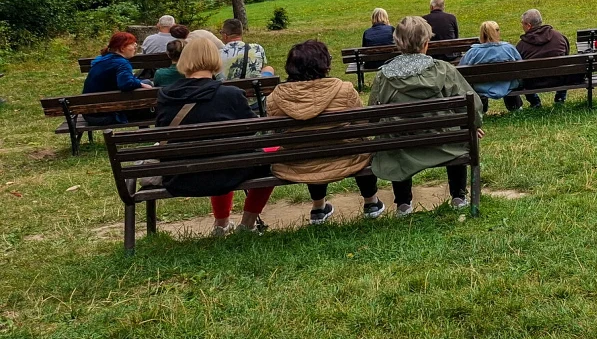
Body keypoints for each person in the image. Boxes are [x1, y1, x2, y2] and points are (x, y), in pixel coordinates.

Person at [156, 31, 272, 236]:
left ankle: (221, 225)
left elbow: (161, 133)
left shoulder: (165, 95)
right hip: (228, 171)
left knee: (223, 154)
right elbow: (253, 128)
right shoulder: (231, 94)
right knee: (267, 157)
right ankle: (247, 224)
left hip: (180, 176)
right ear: (215, 59)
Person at [369, 15, 485, 213]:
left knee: (395, 138)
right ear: (426, 43)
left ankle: (404, 203)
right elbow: (472, 106)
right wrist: (473, 125)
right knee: (457, 133)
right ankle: (458, 196)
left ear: (397, 43)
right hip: (444, 143)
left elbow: (373, 115)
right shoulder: (443, 69)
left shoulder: (384, 76)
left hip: (401, 146)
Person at [266, 40, 381, 224]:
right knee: (361, 145)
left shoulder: (275, 98)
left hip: (300, 161)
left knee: (310, 148)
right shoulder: (344, 89)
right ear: (324, 64)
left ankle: (318, 208)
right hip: (346, 157)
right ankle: (371, 202)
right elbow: (362, 124)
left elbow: (276, 132)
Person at [83, 31, 154, 126]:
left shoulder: (102, 59)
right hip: (106, 115)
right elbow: (126, 84)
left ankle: (144, 129)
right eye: (132, 44)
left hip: (90, 112)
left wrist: (140, 83)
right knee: (146, 87)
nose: (135, 46)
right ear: (122, 48)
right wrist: (140, 84)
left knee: (145, 82)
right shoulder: (121, 63)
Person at [459, 21, 524, 111]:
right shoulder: (508, 49)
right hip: (507, 85)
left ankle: (481, 109)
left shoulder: (473, 52)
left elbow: (461, 70)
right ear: (497, 32)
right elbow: (521, 65)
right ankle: (515, 106)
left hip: (481, 86)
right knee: (508, 80)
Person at [516, 8, 570, 107]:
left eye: (522, 23)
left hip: (532, 83)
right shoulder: (559, 37)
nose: (522, 26)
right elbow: (566, 55)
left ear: (528, 25)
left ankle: (534, 101)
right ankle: (560, 97)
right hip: (559, 79)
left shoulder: (521, 45)